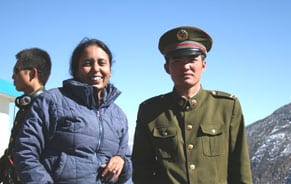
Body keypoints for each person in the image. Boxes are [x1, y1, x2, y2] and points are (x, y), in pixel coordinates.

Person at [132, 26, 253, 183]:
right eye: (177, 61)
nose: (186, 66)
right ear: (167, 68)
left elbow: (240, 165)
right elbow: (142, 168)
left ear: (203, 65)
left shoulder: (227, 107)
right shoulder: (150, 111)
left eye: (192, 60)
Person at [12, 38, 132, 184]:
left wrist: (122, 162)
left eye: (102, 63)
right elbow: (25, 151)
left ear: (110, 70)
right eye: (87, 63)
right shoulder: (52, 101)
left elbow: (128, 166)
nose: (96, 69)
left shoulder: (118, 115)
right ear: (75, 70)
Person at [0, 48, 52, 184]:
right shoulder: (25, 106)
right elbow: (13, 151)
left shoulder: (47, 110)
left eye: (16, 71)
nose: (12, 76)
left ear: (32, 74)